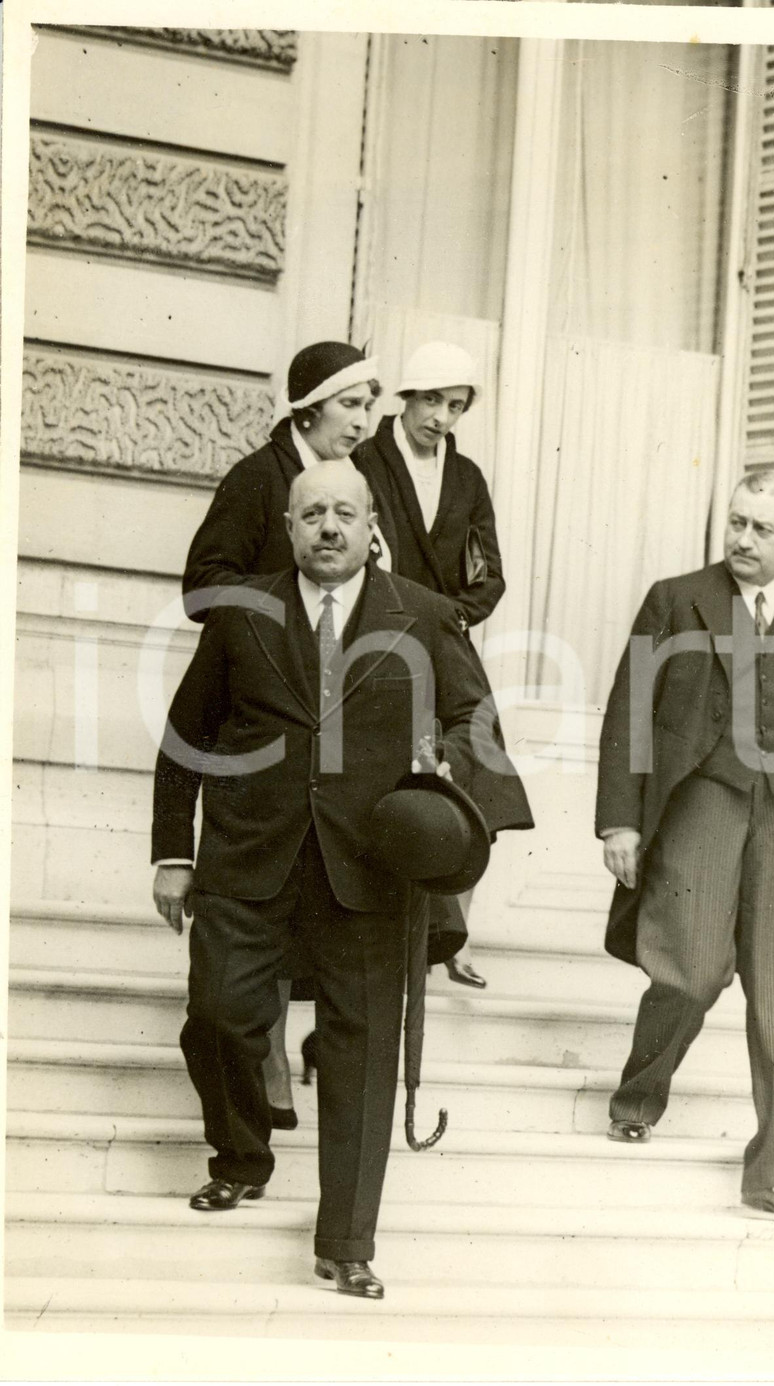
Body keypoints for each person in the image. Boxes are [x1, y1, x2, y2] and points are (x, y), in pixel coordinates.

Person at [152, 459, 525, 1297]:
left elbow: (478, 717)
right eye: (311, 512)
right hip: (249, 860)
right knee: (218, 1014)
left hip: (372, 867)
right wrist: (174, 853)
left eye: (345, 513)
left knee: (359, 1054)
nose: (328, 527)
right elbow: (185, 735)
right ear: (287, 528)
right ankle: (242, 1155)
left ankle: (347, 1241)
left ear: (371, 529)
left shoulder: (424, 617)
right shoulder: (241, 614)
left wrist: (446, 773)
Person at [596, 471, 774, 1229]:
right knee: (691, 967)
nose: (743, 540)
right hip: (706, 796)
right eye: (736, 523)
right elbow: (629, 711)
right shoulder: (676, 598)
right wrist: (621, 820)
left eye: (761, 529)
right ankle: (639, 1094)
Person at [181, 340, 386, 1124]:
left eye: (371, 407)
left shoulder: (361, 483)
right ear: (308, 409)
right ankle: (259, 1098)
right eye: (353, 406)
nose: (367, 422)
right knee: (249, 935)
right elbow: (203, 581)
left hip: (340, 700)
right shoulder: (257, 478)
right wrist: (282, 613)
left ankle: (302, 1063)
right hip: (263, 685)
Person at [354, 341, 522, 988]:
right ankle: (405, 940)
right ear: (406, 397)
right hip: (378, 639)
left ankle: (456, 939)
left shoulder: (467, 477)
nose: (441, 418)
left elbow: (491, 573)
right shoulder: (366, 461)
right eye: (431, 400)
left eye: (455, 406)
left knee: (478, 764)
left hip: (446, 638)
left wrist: (452, 615)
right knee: (395, 783)